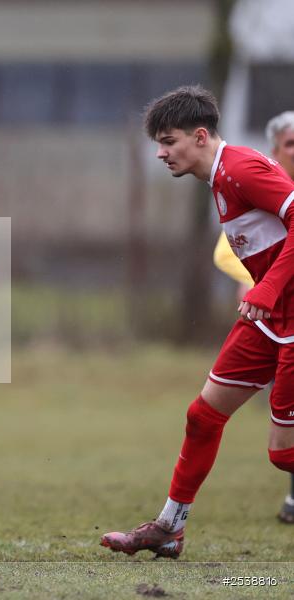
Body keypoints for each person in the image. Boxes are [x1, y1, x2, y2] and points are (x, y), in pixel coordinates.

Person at [101, 87, 294, 558]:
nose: (161, 153)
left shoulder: (243, 168)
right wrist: (267, 294)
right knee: (203, 417)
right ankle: (170, 527)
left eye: (168, 142)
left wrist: (266, 288)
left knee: (283, 453)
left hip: (286, 317)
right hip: (270, 320)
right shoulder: (221, 178)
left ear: (201, 136)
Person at [212, 110, 294, 524]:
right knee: (281, 438)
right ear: (275, 152)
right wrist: (263, 286)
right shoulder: (257, 190)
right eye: (291, 144)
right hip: (271, 320)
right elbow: (230, 254)